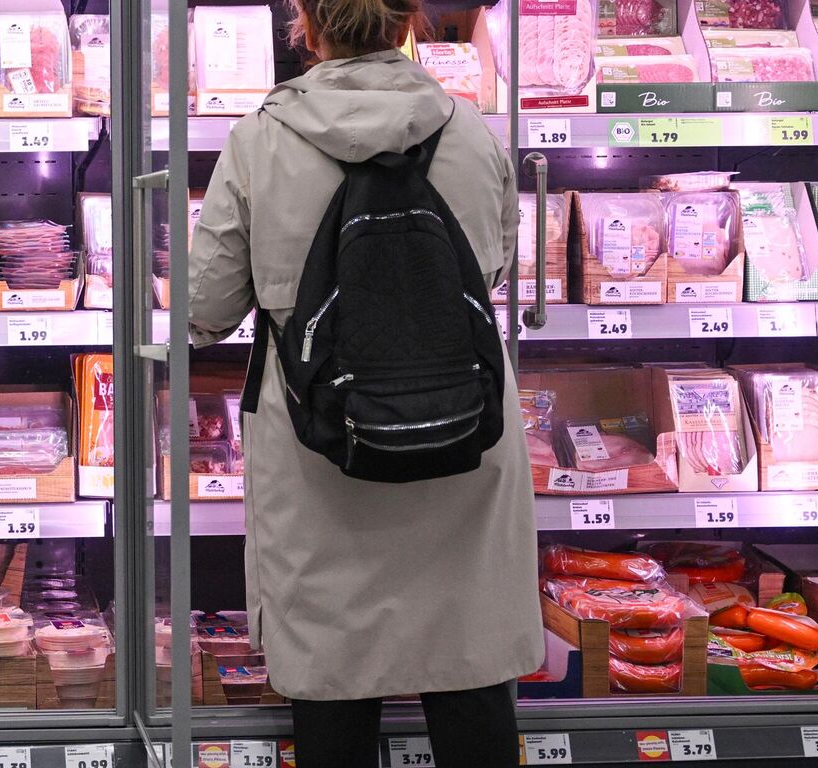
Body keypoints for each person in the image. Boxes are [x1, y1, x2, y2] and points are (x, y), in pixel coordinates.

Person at [185, 0, 542, 764]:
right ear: (406, 21)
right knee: (470, 663)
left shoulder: (260, 142)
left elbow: (204, 312)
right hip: (463, 439)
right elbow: (496, 269)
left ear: (306, 27)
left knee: (333, 681)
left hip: (323, 450)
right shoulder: (471, 130)